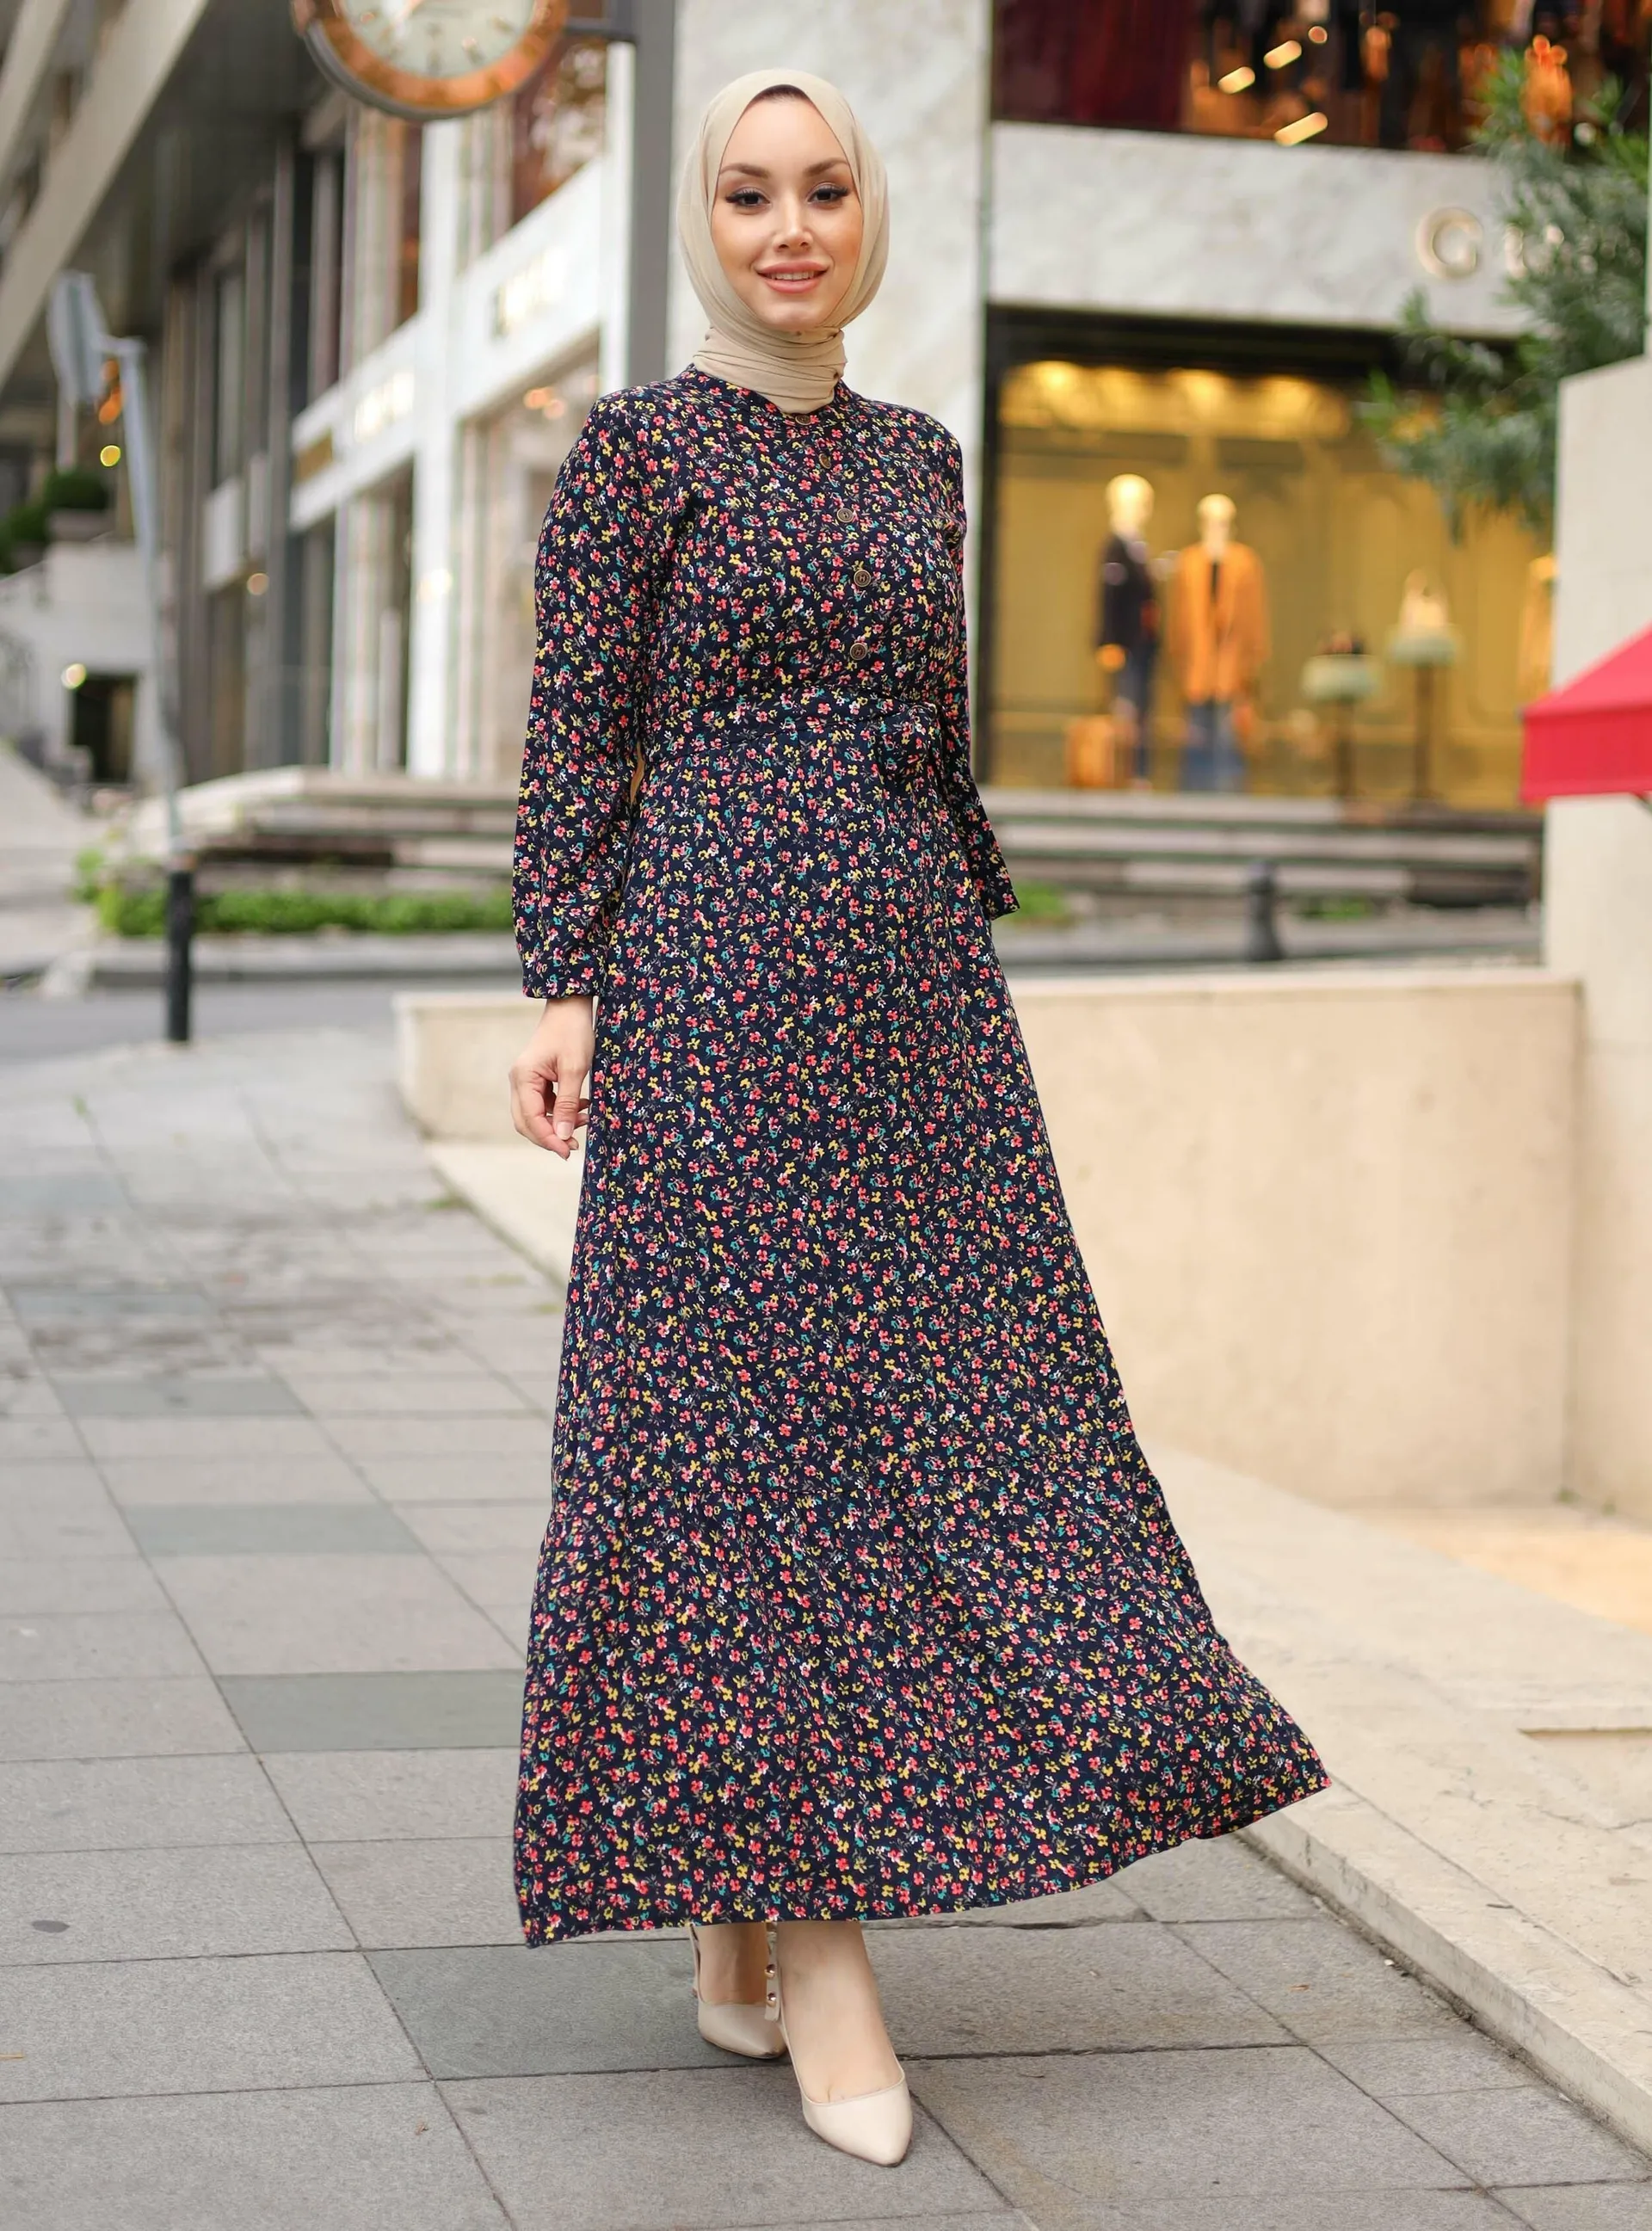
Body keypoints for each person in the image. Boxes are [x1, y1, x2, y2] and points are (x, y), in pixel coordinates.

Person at [507, 66, 1328, 2170]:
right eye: (754, 194)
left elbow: (938, 754)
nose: (793, 227)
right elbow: (575, 741)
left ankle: (733, 1928)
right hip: (704, 1004)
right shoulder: (636, 454)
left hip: (909, 1018)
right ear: (706, 218)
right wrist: (565, 985)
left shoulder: (921, 460)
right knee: (748, 1449)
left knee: (956, 1429)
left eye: (829, 188)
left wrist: (960, 977)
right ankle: (829, 1957)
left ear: (873, 208)